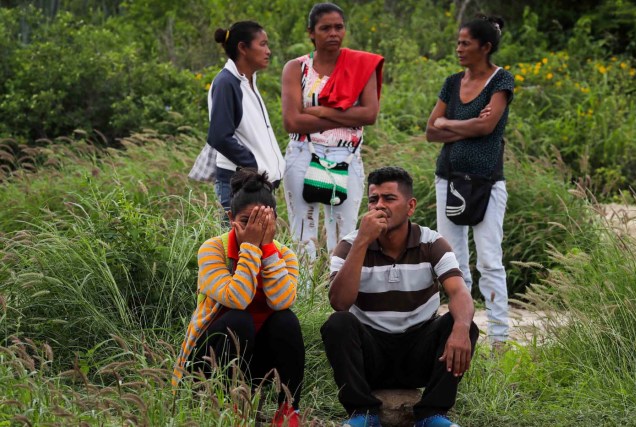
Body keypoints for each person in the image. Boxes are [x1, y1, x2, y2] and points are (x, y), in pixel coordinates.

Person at [321, 167, 479, 427]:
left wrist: (461, 329)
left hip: (419, 351)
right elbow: (339, 302)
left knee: (462, 322)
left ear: (410, 206)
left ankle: (432, 415)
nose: (379, 206)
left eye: (389, 198)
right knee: (338, 323)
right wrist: (362, 241)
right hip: (371, 355)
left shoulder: (432, 243)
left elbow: (459, 292)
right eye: (373, 200)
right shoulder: (349, 245)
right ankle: (364, 414)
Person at [172, 169, 304, 426]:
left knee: (286, 320)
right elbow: (238, 299)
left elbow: (281, 301)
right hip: (210, 362)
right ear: (231, 218)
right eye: (246, 221)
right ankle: (229, 407)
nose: (254, 229)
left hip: (256, 362)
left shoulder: (285, 255)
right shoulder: (213, 249)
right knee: (238, 318)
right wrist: (251, 248)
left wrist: (266, 251)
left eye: (262, 221)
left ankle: (287, 411)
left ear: (274, 220)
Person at [426, 16, 514, 346]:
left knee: (490, 260)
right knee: (452, 261)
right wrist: (464, 123)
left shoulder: (501, 80)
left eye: (465, 43)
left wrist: (451, 123)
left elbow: (486, 129)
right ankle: (459, 332)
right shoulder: (452, 82)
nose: (459, 48)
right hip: (448, 178)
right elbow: (431, 130)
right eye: (458, 42)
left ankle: (500, 341)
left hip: (487, 181)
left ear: (485, 47)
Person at [281, 2, 384, 259]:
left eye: (338, 27)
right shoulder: (297, 68)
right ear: (311, 33)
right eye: (325, 28)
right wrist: (345, 118)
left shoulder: (361, 66)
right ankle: (304, 298)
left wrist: (322, 112)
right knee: (303, 231)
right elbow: (292, 122)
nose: (333, 33)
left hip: (346, 156)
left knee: (344, 234)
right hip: (303, 152)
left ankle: (338, 298)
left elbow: (369, 114)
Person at [189, 21, 285, 213]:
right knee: (236, 243)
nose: (268, 51)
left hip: (253, 184)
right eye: (263, 44)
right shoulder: (227, 82)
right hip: (241, 186)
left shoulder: (247, 81)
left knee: (254, 243)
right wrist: (254, 166)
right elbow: (219, 136)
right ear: (243, 48)